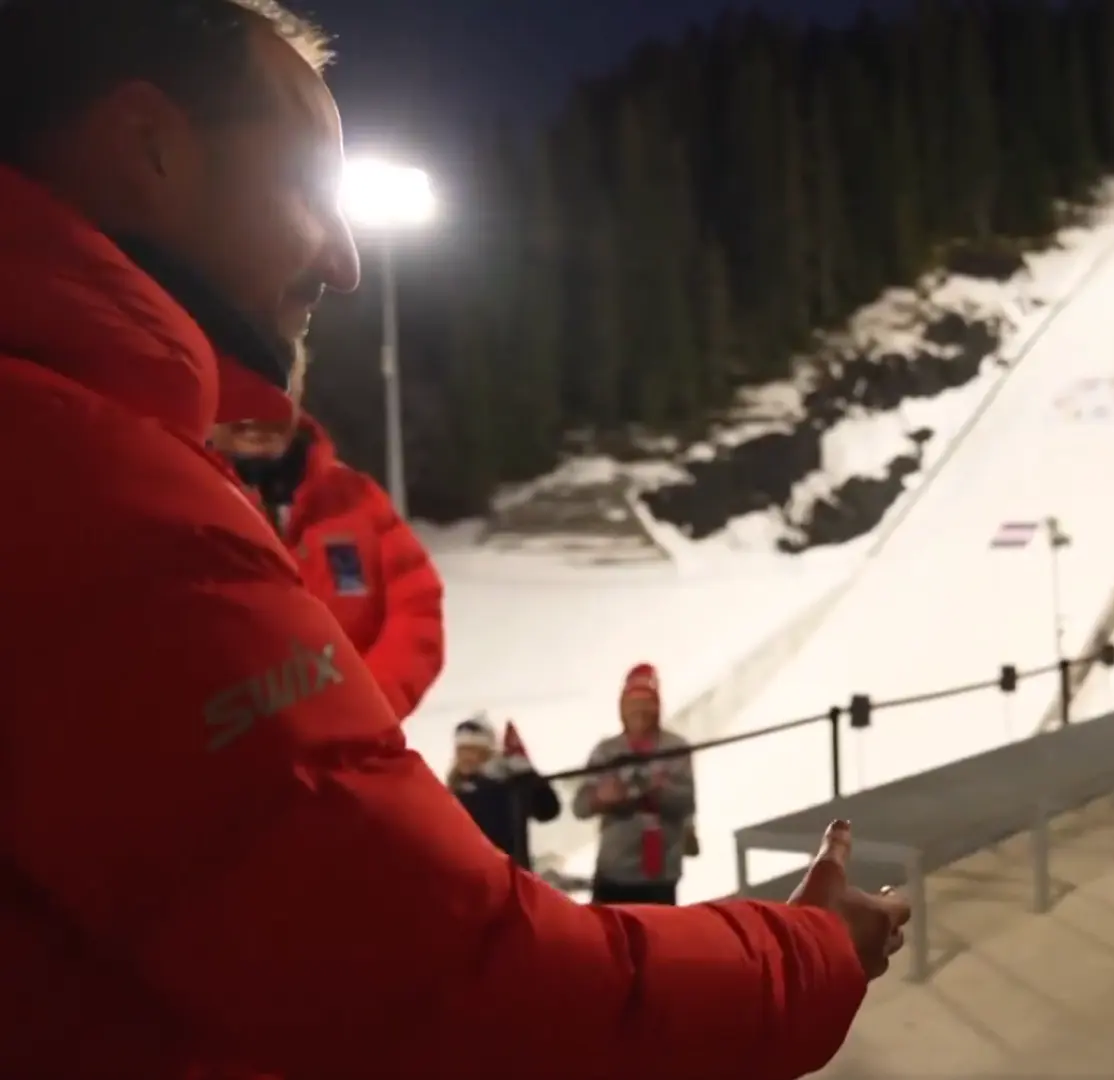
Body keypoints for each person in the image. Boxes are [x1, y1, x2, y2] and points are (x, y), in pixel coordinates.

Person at [0, 2, 908, 1075]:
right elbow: (468, 995)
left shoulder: (91, 448)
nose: (343, 261)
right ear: (147, 148)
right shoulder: (92, 492)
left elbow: (400, 614)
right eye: (306, 184)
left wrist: (339, 726)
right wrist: (812, 952)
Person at [211, 412, 446, 718]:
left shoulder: (356, 498)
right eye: (237, 391)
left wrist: (362, 710)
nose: (255, 413)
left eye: (275, 383)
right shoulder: (176, 501)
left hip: (348, 751)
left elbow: (417, 609)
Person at [574, 663, 697, 906]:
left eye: (646, 705)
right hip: (613, 874)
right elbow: (580, 807)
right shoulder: (605, 751)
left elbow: (686, 800)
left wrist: (655, 790)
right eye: (632, 705)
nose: (639, 712)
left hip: (661, 876)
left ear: (657, 707)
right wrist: (601, 797)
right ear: (622, 709)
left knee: (659, 942)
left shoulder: (676, 748)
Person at [447, 714, 561, 869]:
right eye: (462, 750)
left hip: (507, 871)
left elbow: (547, 810)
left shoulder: (508, 784)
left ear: (487, 753)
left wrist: (528, 775)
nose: (466, 757)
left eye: (473, 750)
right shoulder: (454, 791)